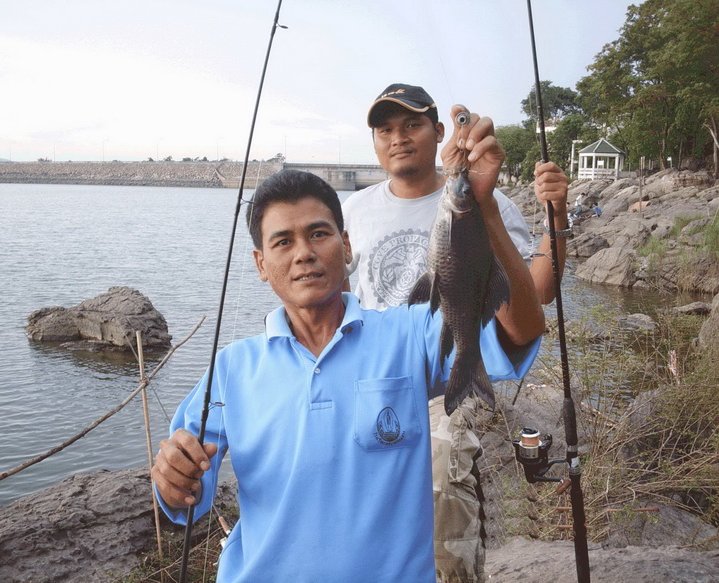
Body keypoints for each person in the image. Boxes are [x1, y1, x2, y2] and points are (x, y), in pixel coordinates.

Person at [151, 124, 541, 583]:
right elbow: (184, 493)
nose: (304, 253)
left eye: (319, 234)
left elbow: (521, 330)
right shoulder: (231, 370)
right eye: (282, 241)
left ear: (347, 244)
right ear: (260, 264)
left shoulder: (409, 335)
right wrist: (173, 480)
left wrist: (485, 208)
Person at [342, 83, 568, 582]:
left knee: (441, 471)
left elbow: (537, 295)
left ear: (439, 132)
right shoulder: (354, 210)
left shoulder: (489, 203)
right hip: (373, 382)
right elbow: (333, 298)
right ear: (375, 142)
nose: (398, 138)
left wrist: (556, 218)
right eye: (385, 130)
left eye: (412, 125)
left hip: (447, 385)